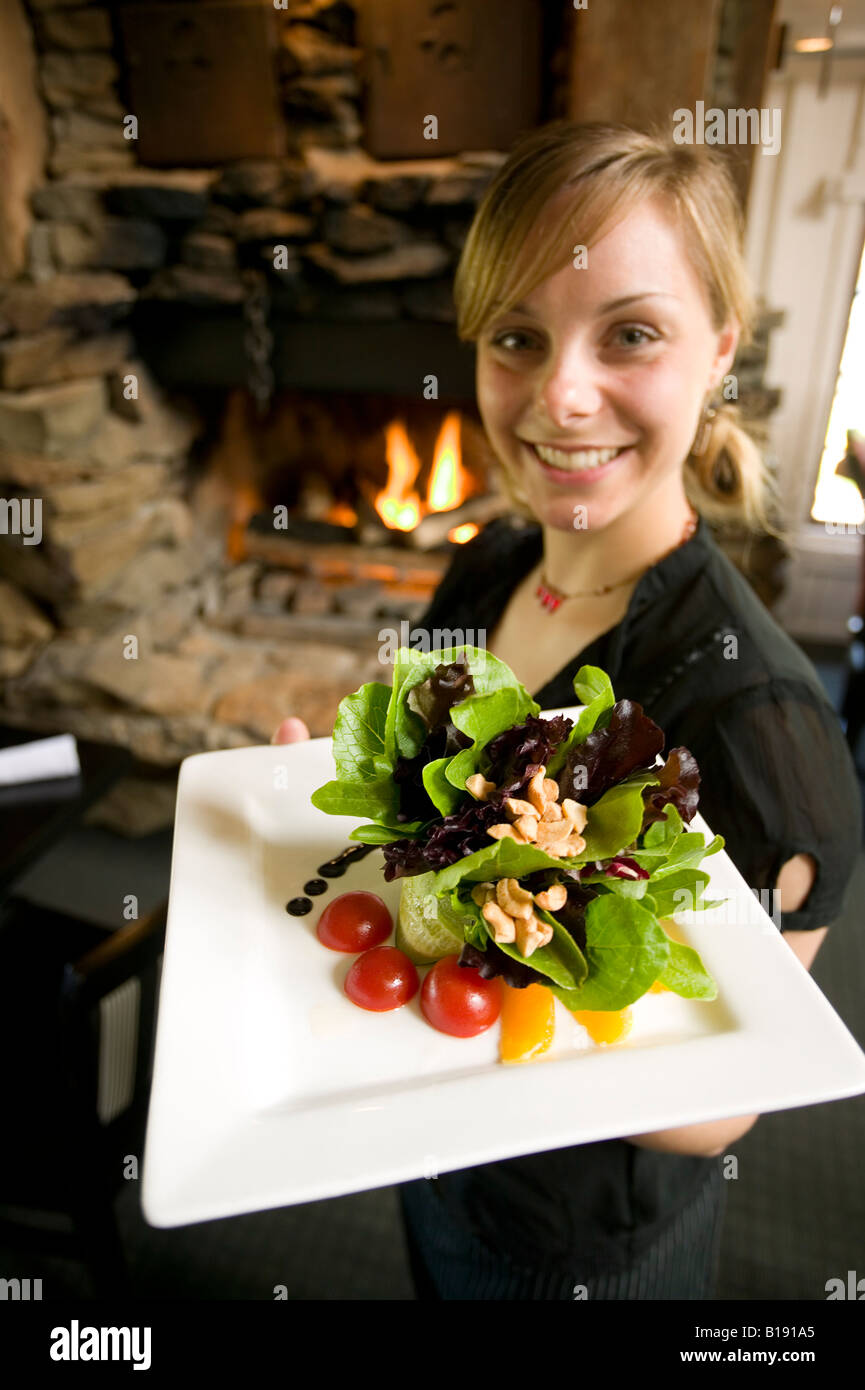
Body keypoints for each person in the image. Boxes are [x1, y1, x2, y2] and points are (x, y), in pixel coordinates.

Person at [272, 121, 863, 1299]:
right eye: (516, 337)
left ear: (719, 355)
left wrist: (508, 951)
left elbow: (719, 1109)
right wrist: (334, 823)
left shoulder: (761, 727)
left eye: (631, 333)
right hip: (431, 1140)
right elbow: (421, 779)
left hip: (575, 1238)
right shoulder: (489, 563)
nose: (560, 394)